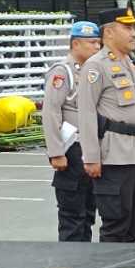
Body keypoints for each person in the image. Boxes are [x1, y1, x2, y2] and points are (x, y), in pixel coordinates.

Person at [79, 7, 135, 243]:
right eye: (127, 28)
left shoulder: (130, 63)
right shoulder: (96, 66)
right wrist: (91, 157)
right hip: (113, 155)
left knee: (134, 220)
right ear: (109, 33)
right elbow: (87, 112)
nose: (134, 33)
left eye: (134, 28)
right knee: (115, 222)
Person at [43, 21, 100, 242]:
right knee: (72, 215)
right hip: (71, 150)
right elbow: (51, 112)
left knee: (88, 213)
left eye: (98, 42)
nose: (97, 47)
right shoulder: (63, 71)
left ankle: (84, 267)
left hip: (90, 150)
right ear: (76, 44)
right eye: (92, 42)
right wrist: (56, 152)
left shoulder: (91, 71)